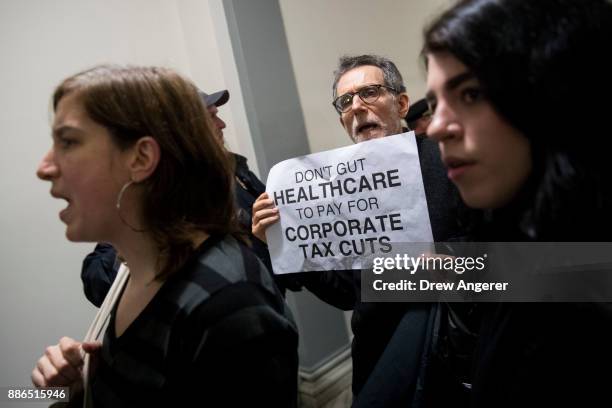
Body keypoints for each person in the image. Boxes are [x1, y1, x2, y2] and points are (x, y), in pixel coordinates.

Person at [32, 65, 298, 407]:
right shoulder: (133, 268)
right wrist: (77, 392)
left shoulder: (228, 303)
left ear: (142, 157)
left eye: (68, 142)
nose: (44, 167)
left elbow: (340, 283)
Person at [423, 0, 612, 406]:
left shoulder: (585, 295)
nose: (437, 126)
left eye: (470, 93)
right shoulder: (522, 233)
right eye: (436, 101)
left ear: (547, 92)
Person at [252, 54, 469, 399]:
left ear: (400, 104)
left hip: (458, 351)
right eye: (345, 101)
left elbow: (509, 265)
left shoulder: (451, 163)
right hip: (379, 355)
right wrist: (282, 241)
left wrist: (446, 264)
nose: (356, 107)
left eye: (369, 92)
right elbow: (343, 293)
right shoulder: (334, 190)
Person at [81, 89, 277, 307]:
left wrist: (265, 244)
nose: (222, 124)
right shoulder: (142, 194)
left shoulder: (237, 174)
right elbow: (98, 284)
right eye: (211, 117)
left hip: (259, 315)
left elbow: (283, 264)